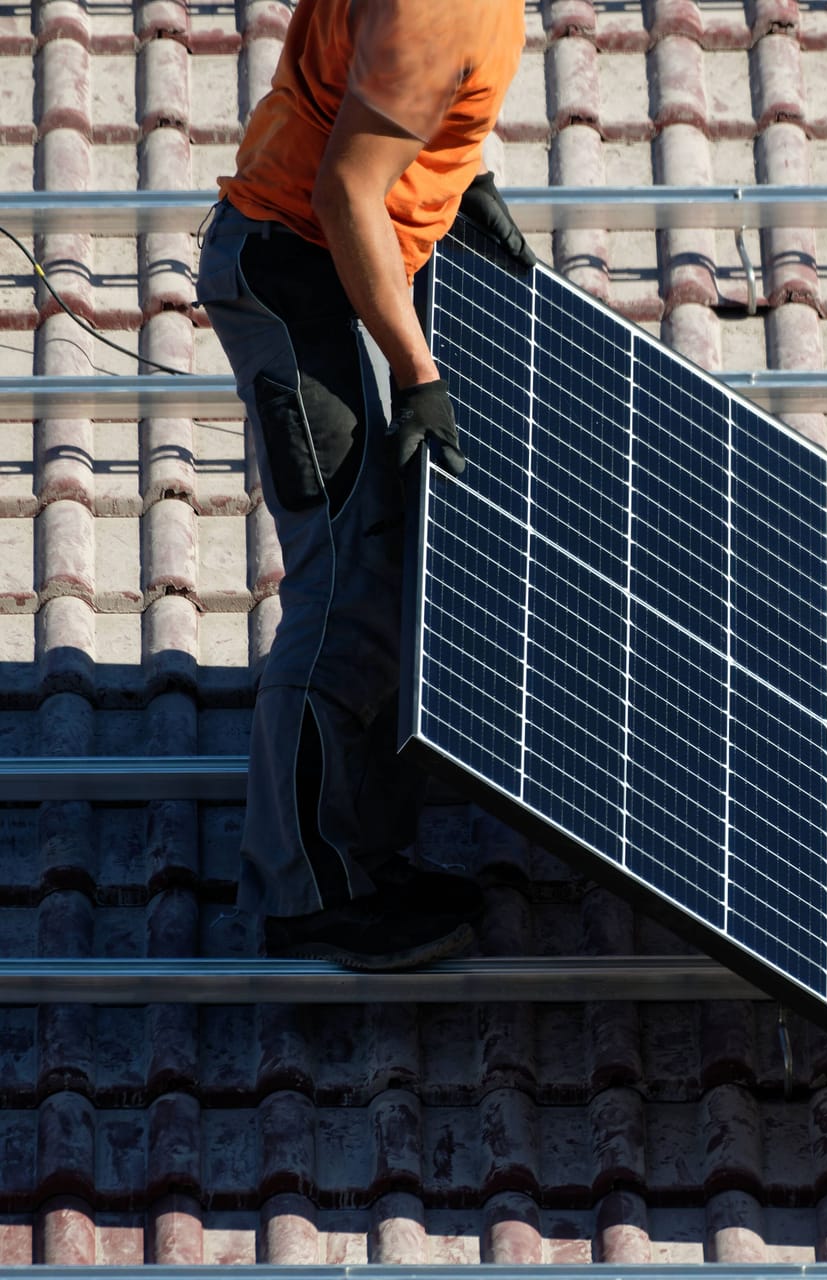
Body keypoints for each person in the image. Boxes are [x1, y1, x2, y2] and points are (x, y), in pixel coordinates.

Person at [197, 0, 537, 970]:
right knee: (347, 578)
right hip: (294, 271)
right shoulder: (439, 6)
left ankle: (367, 847)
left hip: (326, 251)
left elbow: (382, 92)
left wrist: (459, 174)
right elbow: (349, 191)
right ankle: (304, 889)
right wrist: (418, 374)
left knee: (386, 566)